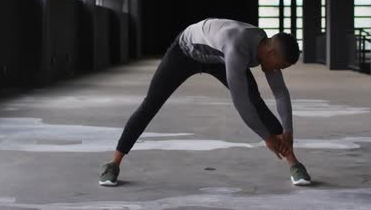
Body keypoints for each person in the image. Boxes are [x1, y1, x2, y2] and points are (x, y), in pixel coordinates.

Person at [99, 18, 311, 186]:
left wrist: (287, 130)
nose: (278, 70)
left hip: (217, 58)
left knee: (257, 102)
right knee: (151, 104)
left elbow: (280, 93)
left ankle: (294, 163)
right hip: (187, 51)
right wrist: (266, 137)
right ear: (271, 52)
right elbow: (240, 103)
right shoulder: (238, 49)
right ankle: (113, 164)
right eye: (280, 66)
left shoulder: (266, 46)